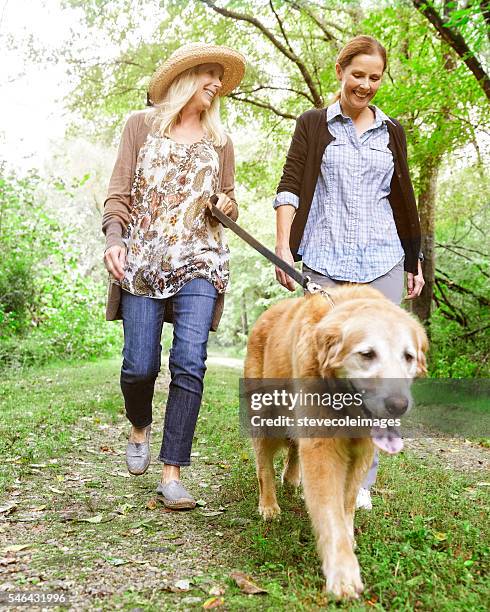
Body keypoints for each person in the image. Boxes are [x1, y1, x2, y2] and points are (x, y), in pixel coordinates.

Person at [273, 35, 424, 510]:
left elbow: (403, 200)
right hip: (326, 262)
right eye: (357, 74)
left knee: (379, 369)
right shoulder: (314, 124)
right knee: (324, 368)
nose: (365, 84)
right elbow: (290, 186)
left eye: (374, 77)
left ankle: (360, 479)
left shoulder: (391, 132)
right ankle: (316, 456)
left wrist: (414, 260)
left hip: (383, 262)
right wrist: (283, 245)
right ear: (340, 71)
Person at [102, 43, 246, 510]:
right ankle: (139, 423)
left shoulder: (220, 141)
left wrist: (227, 206)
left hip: (201, 259)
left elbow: (228, 199)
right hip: (143, 259)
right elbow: (118, 194)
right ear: (185, 76)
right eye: (209, 73)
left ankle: (172, 472)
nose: (216, 84)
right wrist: (114, 239)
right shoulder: (139, 126)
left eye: (219, 78)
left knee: (189, 360)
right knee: (139, 365)